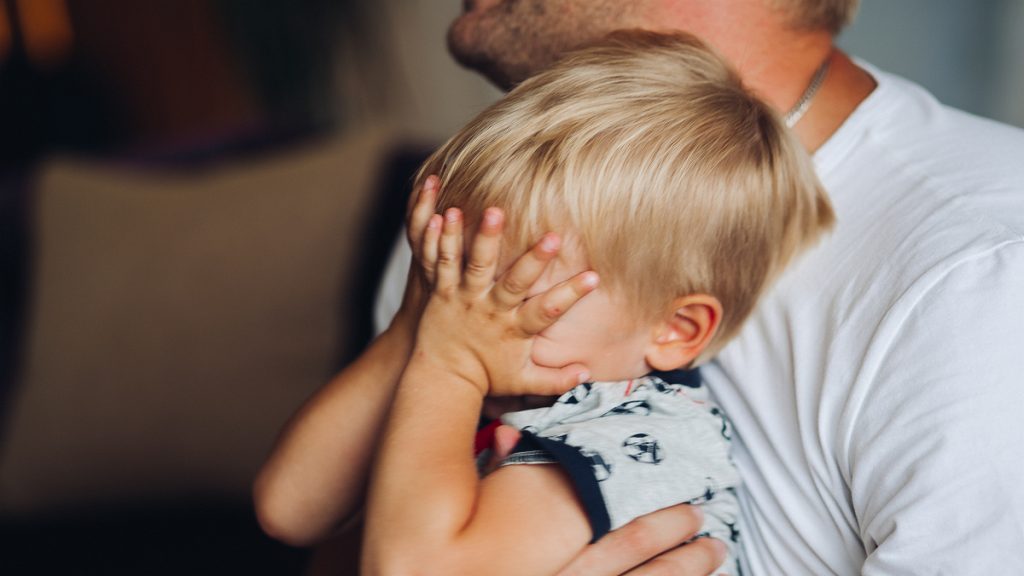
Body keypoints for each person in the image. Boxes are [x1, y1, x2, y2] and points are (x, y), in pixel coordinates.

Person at [259, 1, 1024, 573]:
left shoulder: (983, 282)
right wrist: (422, 335)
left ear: (679, 329)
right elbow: (311, 521)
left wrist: (448, 363)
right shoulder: (489, 225)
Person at [360, 31, 833, 576]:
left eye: (519, 289)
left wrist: (447, 364)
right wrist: (415, 324)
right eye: (462, 274)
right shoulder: (475, 371)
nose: (467, 312)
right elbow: (289, 508)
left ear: (675, 329)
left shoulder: (632, 434)